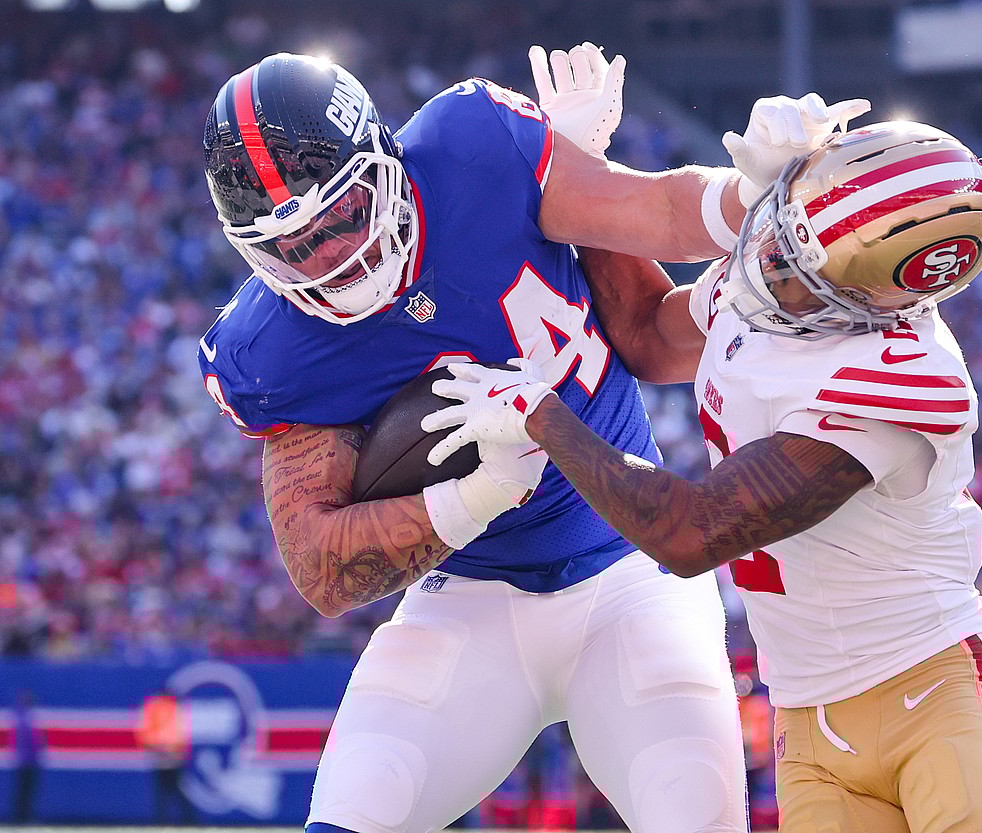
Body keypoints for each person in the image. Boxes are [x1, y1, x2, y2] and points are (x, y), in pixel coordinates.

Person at [197, 44, 855, 833]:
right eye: (290, 247)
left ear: (383, 159)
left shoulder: (473, 149)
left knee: (694, 812)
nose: (329, 258)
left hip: (629, 571)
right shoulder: (268, 349)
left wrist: (752, 191)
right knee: (352, 815)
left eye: (337, 216)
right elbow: (321, 569)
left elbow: (659, 213)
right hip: (469, 599)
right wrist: (480, 492)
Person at [423, 116, 982, 833]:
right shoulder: (768, 287)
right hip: (807, 722)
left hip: (929, 692)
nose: (768, 264)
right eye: (783, 227)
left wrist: (543, 414)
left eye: (799, 267)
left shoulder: (903, 378)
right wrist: (581, 179)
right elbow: (647, 336)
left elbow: (690, 532)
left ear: (879, 303)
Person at [136, 686, 196, 824]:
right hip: (168, 755)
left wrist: (157, 746)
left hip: (166, 755)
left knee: (168, 791)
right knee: (171, 790)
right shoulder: (171, 708)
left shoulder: (157, 707)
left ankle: (168, 821)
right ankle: (177, 821)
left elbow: (147, 732)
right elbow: (178, 733)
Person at [11, 690, 44, 824]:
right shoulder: (25, 721)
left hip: (26, 761)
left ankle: (22, 817)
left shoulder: (23, 719)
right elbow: (32, 743)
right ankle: (22, 818)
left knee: (24, 791)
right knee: (25, 791)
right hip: (27, 762)